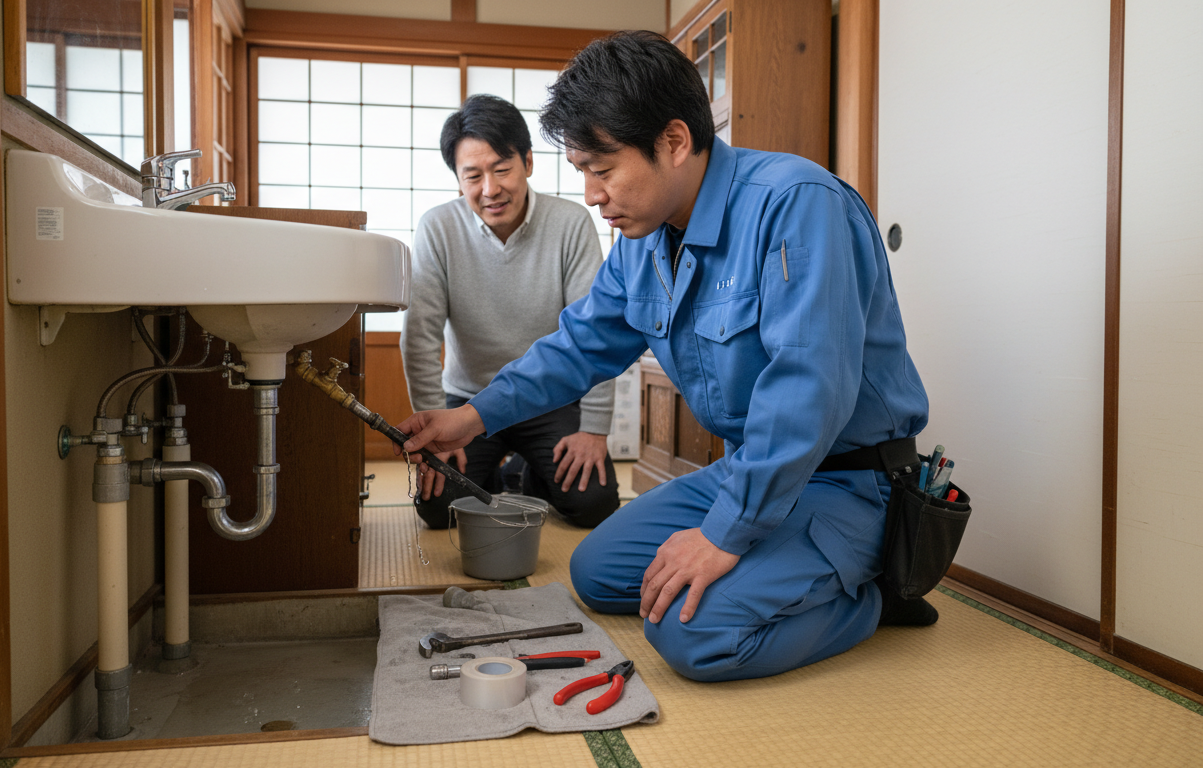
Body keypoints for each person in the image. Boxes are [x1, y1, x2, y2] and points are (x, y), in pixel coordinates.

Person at [396, 31, 938, 683]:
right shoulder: (643, 240)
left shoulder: (796, 204)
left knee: (694, 633)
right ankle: (789, 567)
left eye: (603, 170)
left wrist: (721, 537)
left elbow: (808, 392)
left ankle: (874, 594)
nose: (593, 195)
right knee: (597, 573)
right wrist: (472, 417)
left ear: (674, 142)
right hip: (753, 471)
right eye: (583, 175)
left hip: (846, 481)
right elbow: (579, 346)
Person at [400, 94, 621, 530]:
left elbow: (598, 333)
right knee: (438, 508)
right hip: (469, 402)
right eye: (473, 176)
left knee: (592, 503)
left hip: (550, 397)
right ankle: (509, 470)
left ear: (528, 162)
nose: (490, 189)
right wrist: (431, 434)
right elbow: (420, 336)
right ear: (458, 180)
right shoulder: (437, 227)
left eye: (502, 169)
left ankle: (523, 472)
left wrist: (593, 429)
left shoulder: (571, 223)